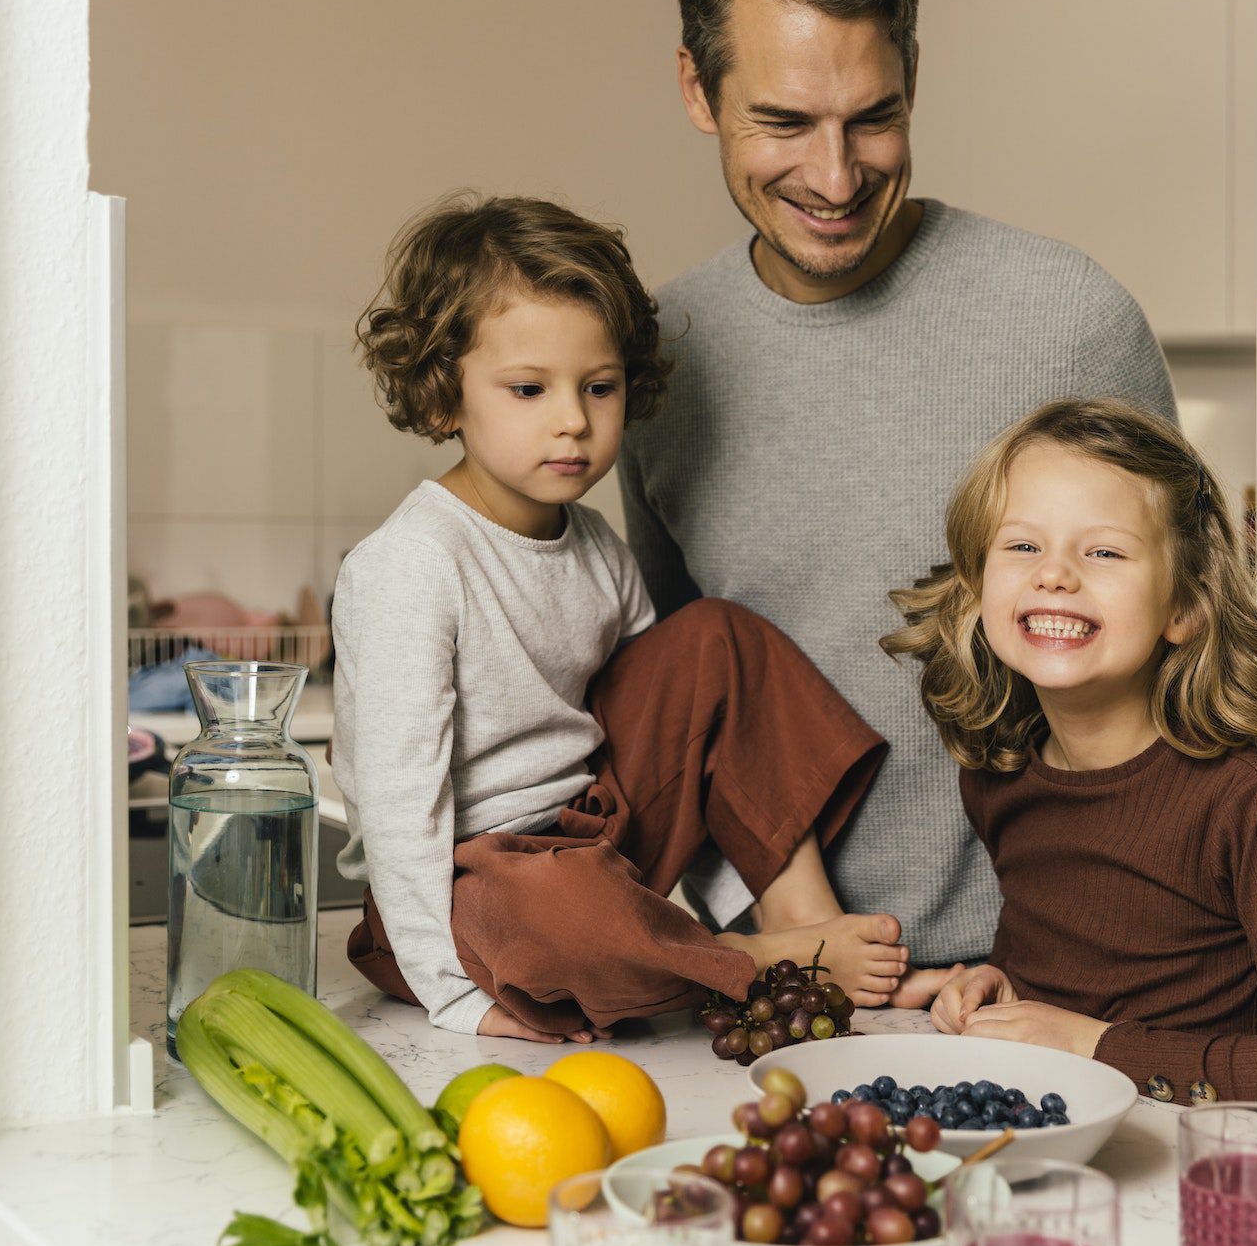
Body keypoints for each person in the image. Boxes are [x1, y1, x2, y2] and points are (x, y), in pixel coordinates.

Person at [616, 0, 1179, 970]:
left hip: (1053, 988)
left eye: (872, 119)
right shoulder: (653, 368)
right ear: (698, 91)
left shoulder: (1068, 319)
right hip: (786, 993)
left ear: (913, 76)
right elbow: (679, 707)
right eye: (782, 122)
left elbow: (1194, 679)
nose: (834, 178)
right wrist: (771, 940)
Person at [330, 194, 909, 1043]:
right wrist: (452, 991)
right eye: (529, 388)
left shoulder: (594, 543)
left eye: (598, 387)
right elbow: (396, 810)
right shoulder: (412, 564)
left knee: (718, 637)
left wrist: (650, 885)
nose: (573, 419)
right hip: (468, 888)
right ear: (443, 395)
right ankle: (747, 962)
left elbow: (691, 742)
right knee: (563, 912)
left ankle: (804, 918)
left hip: (590, 835)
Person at [881, 399, 1257, 1137]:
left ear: (1184, 605)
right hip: (1051, 1158)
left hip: (1200, 1181)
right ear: (976, 582)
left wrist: (1092, 1045)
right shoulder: (1000, 776)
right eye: (1020, 546)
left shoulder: (1249, 804)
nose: (1053, 574)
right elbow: (1082, 977)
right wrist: (999, 990)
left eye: (1104, 552)